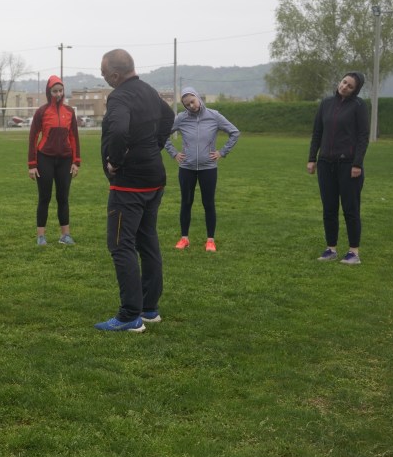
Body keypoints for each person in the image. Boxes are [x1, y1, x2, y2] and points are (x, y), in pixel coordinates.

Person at [95, 49, 175, 333]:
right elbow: (169, 116)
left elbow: (118, 131)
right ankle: (149, 308)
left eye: (104, 74)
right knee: (147, 240)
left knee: (121, 245)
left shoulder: (120, 96)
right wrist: (154, 146)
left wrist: (115, 161)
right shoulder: (149, 91)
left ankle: (130, 315)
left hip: (129, 184)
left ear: (115, 75)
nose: (104, 78)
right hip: (154, 179)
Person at [164, 86, 240, 252]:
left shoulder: (214, 116)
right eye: (187, 105)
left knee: (208, 203)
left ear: (198, 97)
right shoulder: (181, 118)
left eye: (192, 101)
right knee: (186, 202)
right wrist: (174, 153)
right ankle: (184, 238)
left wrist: (222, 152)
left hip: (208, 168)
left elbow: (234, 132)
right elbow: (163, 134)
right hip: (186, 168)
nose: (191, 106)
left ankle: (210, 240)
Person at [308, 71, 369, 265]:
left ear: (355, 90)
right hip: (325, 164)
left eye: (350, 86)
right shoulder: (326, 103)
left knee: (350, 209)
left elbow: (363, 137)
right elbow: (317, 133)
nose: (344, 87)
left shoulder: (359, 106)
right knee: (329, 208)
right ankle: (331, 249)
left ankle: (354, 252)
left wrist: (357, 163)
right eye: (344, 82)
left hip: (348, 165)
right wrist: (312, 158)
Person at [27, 75, 81, 246]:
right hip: (45, 159)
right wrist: (32, 164)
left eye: (60, 91)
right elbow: (33, 137)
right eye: (54, 91)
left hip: (65, 160)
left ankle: (65, 235)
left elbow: (74, 137)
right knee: (44, 197)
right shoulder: (41, 112)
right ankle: (41, 236)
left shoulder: (69, 111)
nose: (58, 94)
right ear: (49, 92)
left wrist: (76, 161)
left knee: (63, 197)